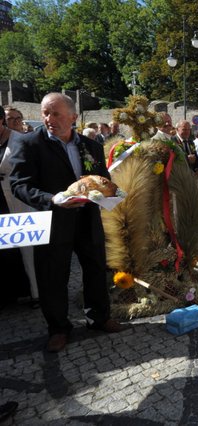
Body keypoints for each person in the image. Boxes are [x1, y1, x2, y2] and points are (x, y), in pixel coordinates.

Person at [9, 92, 126, 353]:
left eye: (55, 113)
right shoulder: (30, 144)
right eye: (45, 113)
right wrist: (52, 199)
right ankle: (59, 328)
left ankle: (99, 317)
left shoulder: (91, 145)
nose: (49, 119)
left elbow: (102, 179)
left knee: (96, 268)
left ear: (73, 117)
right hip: (52, 220)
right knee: (52, 276)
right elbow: (19, 185)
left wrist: (111, 194)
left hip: (87, 219)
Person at [0, 107, 39, 305]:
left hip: (17, 201)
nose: (15, 121)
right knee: (4, 252)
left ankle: (34, 292)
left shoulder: (20, 140)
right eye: (11, 118)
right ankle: (9, 294)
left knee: (25, 249)